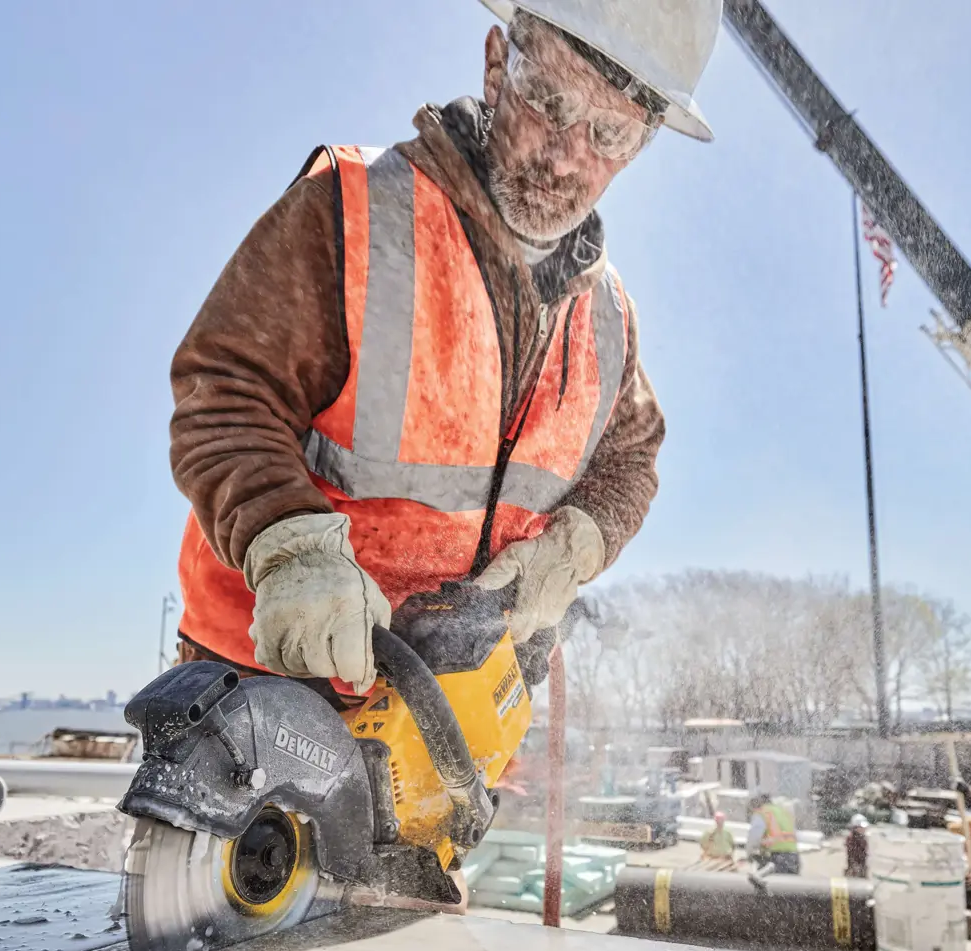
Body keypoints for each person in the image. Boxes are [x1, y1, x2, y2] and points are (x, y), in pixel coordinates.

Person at [167, 1, 722, 695]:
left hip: (447, 709)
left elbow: (631, 458)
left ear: (640, 145)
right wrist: (290, 546)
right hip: (260, 679)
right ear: (496, 65)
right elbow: (225, 392)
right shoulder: (353, 209)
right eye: (548, 100)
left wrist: (578, 541)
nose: (565, 155)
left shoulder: (608, 317)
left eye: (609, 132)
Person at [746, 793, 800, 876]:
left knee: (767, 885)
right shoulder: (784, 812)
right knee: (789, 887)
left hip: (776, 858)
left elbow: (754, 837)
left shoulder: (762, 813)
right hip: (793, 857)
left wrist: (749, 854)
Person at [844, 813, 870, 879]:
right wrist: (856, 868)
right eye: (861, 828)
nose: (864, 829)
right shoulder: (851, 839)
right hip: (854, 869)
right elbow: (852, 855)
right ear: (855, 828)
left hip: (861, 868)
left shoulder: (862, 839)